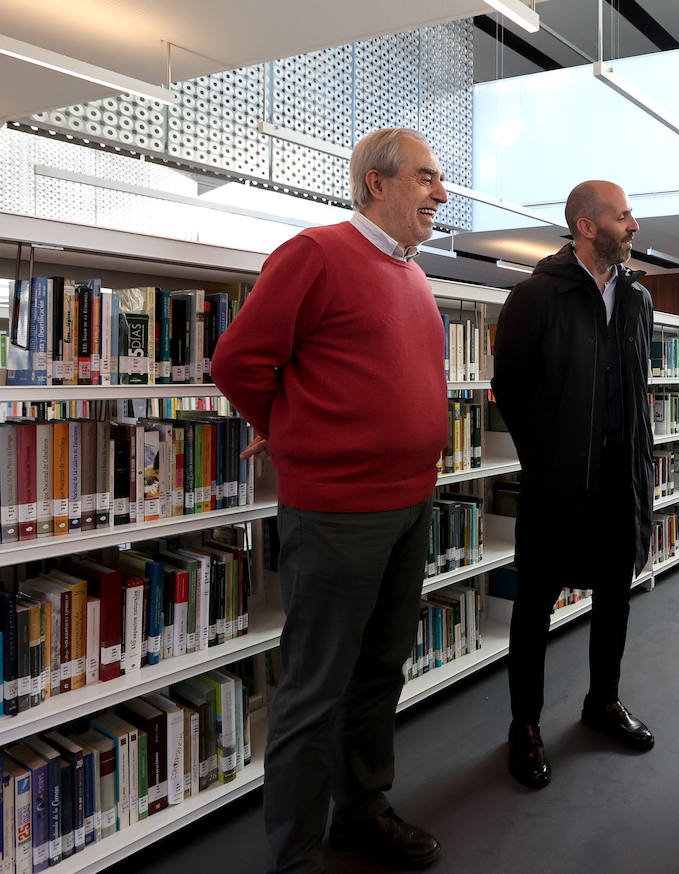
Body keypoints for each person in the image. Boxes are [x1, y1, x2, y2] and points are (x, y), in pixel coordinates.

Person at [211, 127, 448, 873]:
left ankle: (363, 811)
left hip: (410, 502)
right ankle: (299, 854)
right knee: (315, 689)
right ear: (377, 184)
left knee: (381, 671)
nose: (440, 193)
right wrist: (285, 424)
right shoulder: (316, 253)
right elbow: (239, 360)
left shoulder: (411, 274)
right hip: (339, 511)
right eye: (426, 178)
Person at [492, 180, 656, 791]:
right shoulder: (536, 297)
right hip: (558, 479)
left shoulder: (636, 300)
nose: (633, 225)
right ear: (587, 226)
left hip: (622, 475)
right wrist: (548, 455)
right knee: (534, 605)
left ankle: (602, 703)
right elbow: (509, 388)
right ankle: (524, 726)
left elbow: (635, 387)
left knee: (615, 595)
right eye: (623, 216)